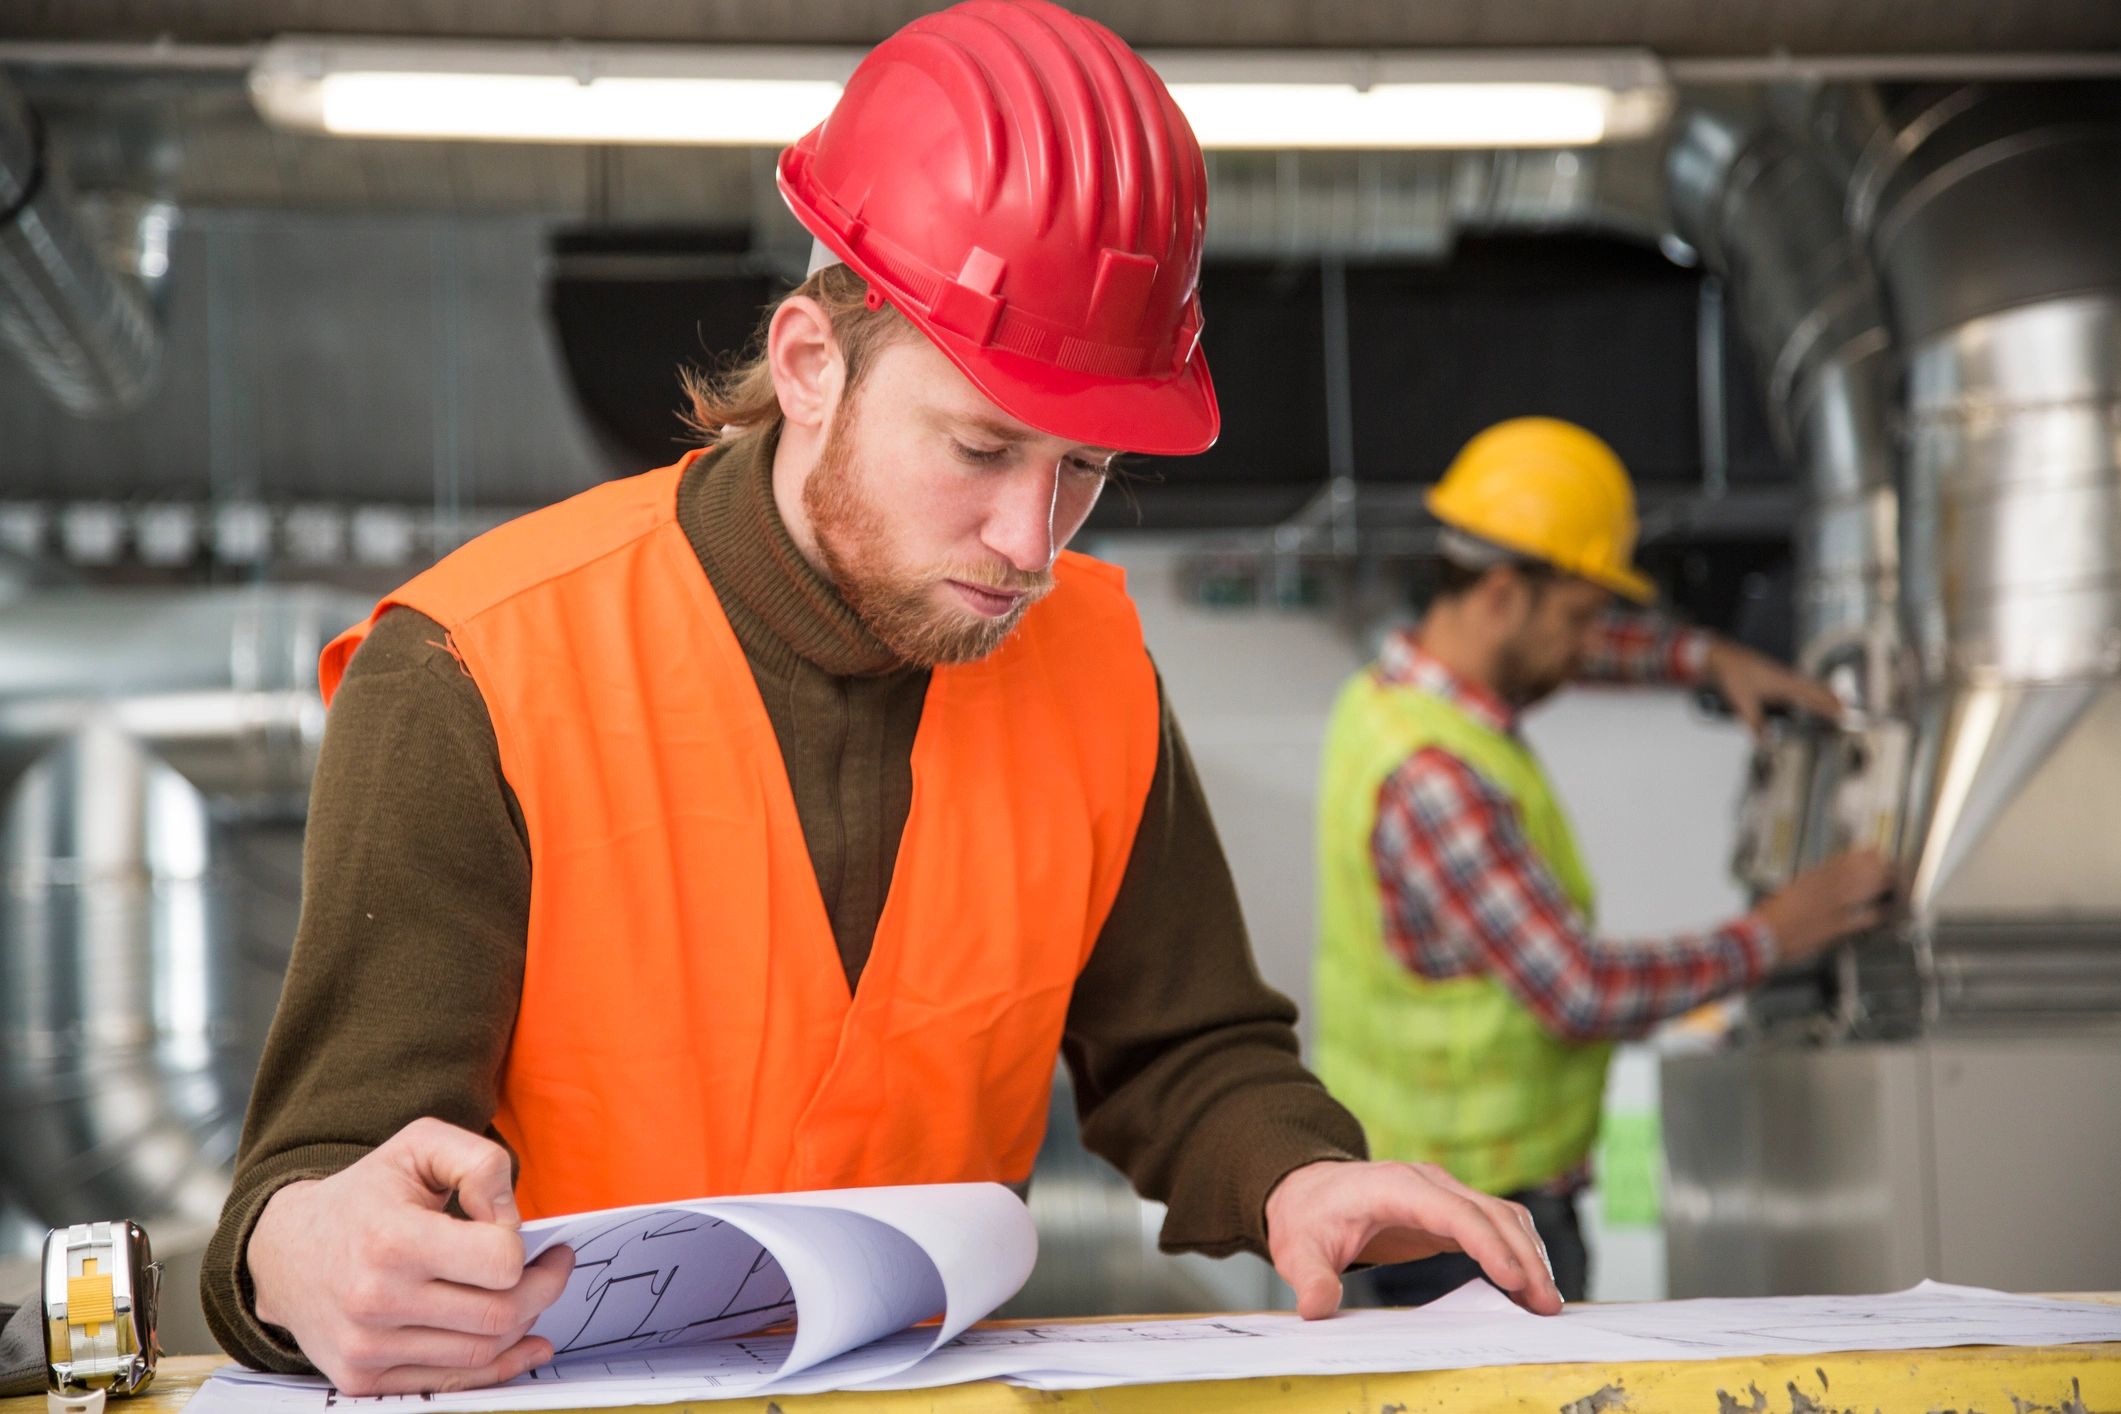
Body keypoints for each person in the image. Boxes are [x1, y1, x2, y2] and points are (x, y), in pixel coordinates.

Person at [200, 2, 1562, 1395]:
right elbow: (313, 1183)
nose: (1034, 543)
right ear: (809, 364)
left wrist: (1298, 1174)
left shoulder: (1090, 664)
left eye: (1085, 468)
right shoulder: (472, 670)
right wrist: (298, 1256)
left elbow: (1188, 1047)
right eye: (981, 447)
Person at [1312, 416, 1894, 1307]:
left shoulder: (1392, 688)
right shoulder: (1437, 779)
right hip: (1459, 1235)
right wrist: (1775, 934)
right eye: (1581, 616)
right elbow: (1578, 992)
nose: (1591, 644)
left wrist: (1706, 658)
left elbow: (1571, 652)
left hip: (1440, 1202)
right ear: (1502, 593)